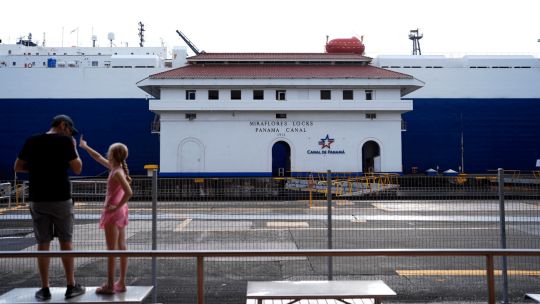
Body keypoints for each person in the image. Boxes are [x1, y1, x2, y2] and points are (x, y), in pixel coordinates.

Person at [14, 114, 86, 300]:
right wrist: (73, 148)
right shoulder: (65, 142)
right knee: (66, 242)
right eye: (70, 130)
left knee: (43, 244)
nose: (70, 134)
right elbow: (78, 168)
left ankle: (44, 289)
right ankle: (71, 285)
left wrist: (40, 167)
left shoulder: (32, 141)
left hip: (38, 198)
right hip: (61, 197)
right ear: (63, 125)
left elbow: (18, 167)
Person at [79, 136, 133, 294]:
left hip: (113, 212)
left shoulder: (116, 172)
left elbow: (129, 192)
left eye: (109, 153)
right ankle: (121, 283)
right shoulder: (117, 168)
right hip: (121, 212)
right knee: (121, 247)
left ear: (113, 155)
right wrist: (86, 147)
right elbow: (97, 157)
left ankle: (109, 285)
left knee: (111, 250)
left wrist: (116, 205)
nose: (106, 155)